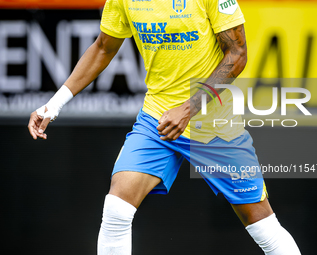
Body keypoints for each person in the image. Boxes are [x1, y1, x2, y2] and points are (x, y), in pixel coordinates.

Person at [28, 0, 301, 254]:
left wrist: (189, 108)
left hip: (214, 123)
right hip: (157, 118)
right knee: (116, 209)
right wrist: (54, 104)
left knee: (263, 227)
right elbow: (103, 47)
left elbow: (237, 53)